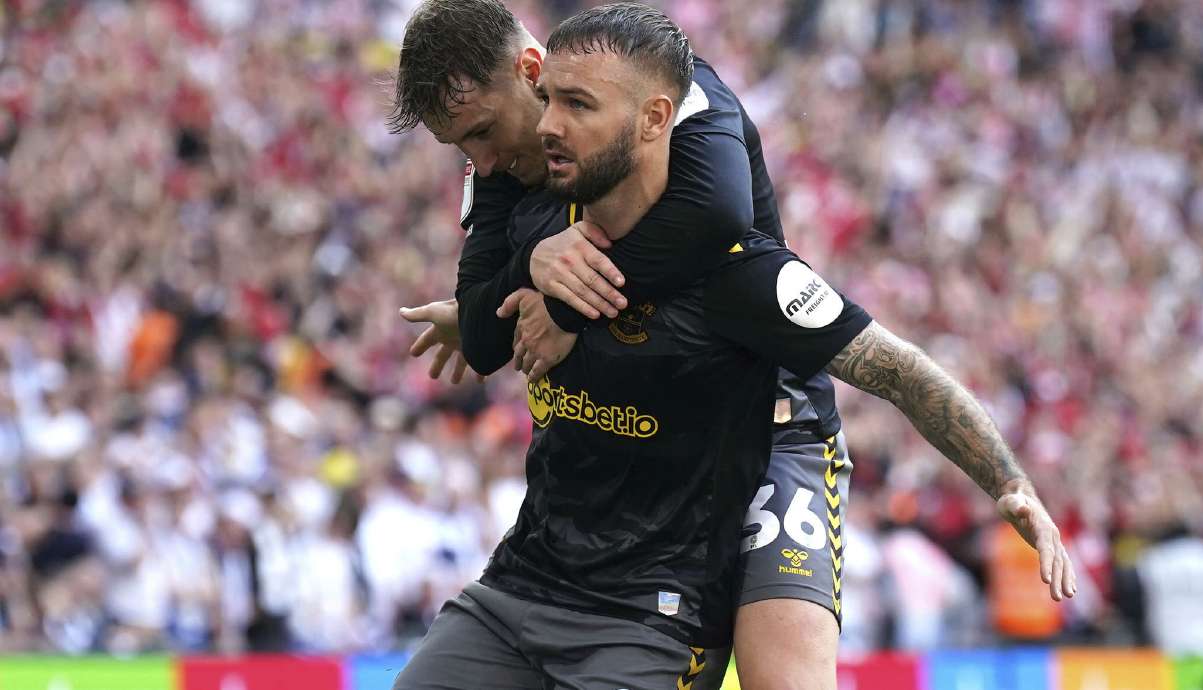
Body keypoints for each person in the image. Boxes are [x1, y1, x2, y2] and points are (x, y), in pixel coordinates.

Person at [392, 2, 1075, 689]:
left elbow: (721, 216)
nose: (482, 159)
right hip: (607, 512)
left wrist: (1009, 481)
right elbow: (482, 329)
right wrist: (531, 267)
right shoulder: (521, 192)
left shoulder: (706, 172)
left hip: (774, 425)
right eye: (462, 146)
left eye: (483, 131)